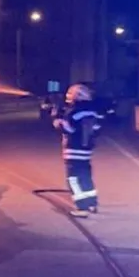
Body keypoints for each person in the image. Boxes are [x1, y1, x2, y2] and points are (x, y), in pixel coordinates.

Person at [53, 83, 103, 217]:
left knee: (74, 179)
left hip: (73, 149)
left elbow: (70, 130)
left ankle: (82, 208)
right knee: (86, 176)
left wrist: (59, 123)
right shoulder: (93, 111)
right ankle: (92, 203)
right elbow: (97, 129)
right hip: (86, 150)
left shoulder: (73, 112)